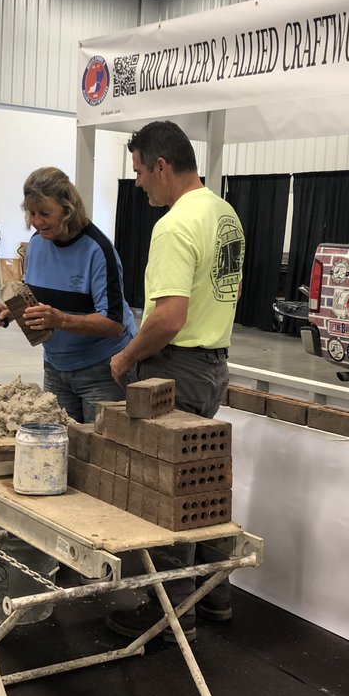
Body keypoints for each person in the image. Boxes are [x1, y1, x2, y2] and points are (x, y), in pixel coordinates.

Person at [105, 120, 245, 644]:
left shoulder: (174, 225)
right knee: (201, 478)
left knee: (168, 485)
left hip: (177, 366)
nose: (138, 183)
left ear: (162, 166)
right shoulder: (223, 212)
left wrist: (124, 359)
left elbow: (167, 318)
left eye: (140, 171)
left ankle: (167, 612)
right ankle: (214, 597)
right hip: (213, 366)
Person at [0, 166, 134, 423]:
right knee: (57, 445)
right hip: (56, 368)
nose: (37, 221)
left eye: (45, 213)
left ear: (68, 210)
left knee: (100, 449)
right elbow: (35, 296)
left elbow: (114, 324)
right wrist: (11, 312)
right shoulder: (36, 244)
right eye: (32, 213)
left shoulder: (98, 250)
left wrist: (61, 320)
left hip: (101, 371)